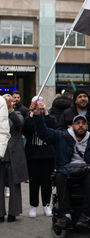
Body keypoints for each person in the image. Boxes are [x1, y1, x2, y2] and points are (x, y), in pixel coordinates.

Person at [32, 107, 90, 229]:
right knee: (60, 176)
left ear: (87, 127)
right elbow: (44, 133)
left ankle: (85, 215)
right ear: (72, 126)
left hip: (87, 171)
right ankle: (66, 216)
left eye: (83, 123)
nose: (80, 125)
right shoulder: (62, 136)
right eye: (77, 123)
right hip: (67, 171)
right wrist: (38, 115)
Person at [23, 96, 57, 218]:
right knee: (34, 181)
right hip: (33, 154)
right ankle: (33, 205)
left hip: (47, 154)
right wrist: (32, 113)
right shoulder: (29, 117)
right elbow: (27, 130)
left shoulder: (49, 116)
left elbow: (52, 126)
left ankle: (46, 204)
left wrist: (45, 112)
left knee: (46, 181)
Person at [0, 94, 29, 222]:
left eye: (10, 101)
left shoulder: (17, 113)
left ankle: (13, 212)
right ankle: (0, 213)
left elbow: (20, 123)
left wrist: (10, 110)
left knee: (15, 186)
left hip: (14, 157)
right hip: (1, 155)